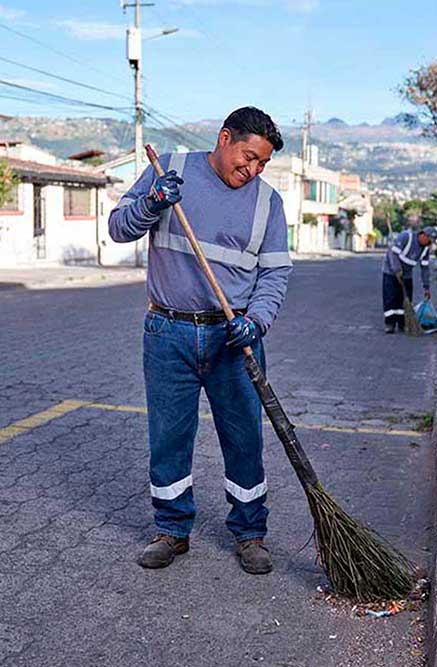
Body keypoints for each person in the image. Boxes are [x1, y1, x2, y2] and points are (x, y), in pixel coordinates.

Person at [109, 107, 292, 575]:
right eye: (248, 157)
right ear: (224, 138)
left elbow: (274, 273)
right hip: (167, 331)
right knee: (169, 436)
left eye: (262, 164)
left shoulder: (267, 203)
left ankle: (250, 534)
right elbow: (118, 229)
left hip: (234, 337)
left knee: (244, 437)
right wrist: (152, 202)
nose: (252, 170)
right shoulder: (167, 170)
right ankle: (171, 530)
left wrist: (258, 321)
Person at [382, 226, 437, 333]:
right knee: (391, 297)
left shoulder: (425, 249)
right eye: (429, 240)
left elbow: (425, 269)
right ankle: (390, 324)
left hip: (407, 274)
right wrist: (397, 270)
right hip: (391, 271)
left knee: (406, 299)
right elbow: (392, 254)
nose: (429, 243)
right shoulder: (406, 237)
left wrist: (426, 287)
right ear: (423, 235)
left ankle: (403, 323)